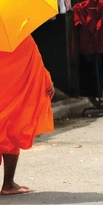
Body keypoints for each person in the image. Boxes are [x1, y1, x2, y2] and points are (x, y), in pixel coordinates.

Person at [0, 35, 55, 195]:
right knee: (12, 131)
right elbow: (34, 63)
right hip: (13, 93)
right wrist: (46, 80)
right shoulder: (18, 34)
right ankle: (8, 184)